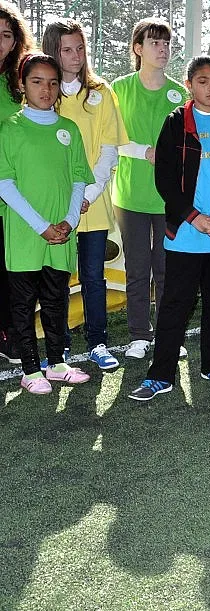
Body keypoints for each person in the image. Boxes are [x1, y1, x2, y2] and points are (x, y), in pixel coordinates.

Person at [128, 56, 210, 401]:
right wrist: (194, 217)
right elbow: (165, 179)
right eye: (203, 81)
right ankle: (161, 376)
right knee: (175, 304)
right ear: (189, 85)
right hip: (186, 232)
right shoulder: (174, 123)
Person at [0, 53, 95, 394]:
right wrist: (41, 225)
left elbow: (79, 179)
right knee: (23, 306)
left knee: (57, 300)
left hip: (61, 234)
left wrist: (69, 221)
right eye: (37, 81)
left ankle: (56, 363)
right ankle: (29, 370)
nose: (46, 89)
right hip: (26, 236)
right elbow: (4, 183)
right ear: (23, 85)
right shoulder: (9, 129)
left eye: (53, 82)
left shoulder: (67, 129)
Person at [42, 18, 128, 371]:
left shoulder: (101, 91)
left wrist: (88, 193)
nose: (75, 56)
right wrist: (65, 198)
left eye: (80, 48)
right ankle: (59, 346)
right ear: (52, 52)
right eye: (67, 49)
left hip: (91, 203)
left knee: (93, 275)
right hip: (55, 205)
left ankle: (98, 342)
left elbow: (109, 151)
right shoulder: (43, 93)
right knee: (57, 278)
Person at [112, 18, 189, 360]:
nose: (162, 49)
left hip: (170, 199)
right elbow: (110, 141)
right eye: (155, 43)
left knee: (168, 270)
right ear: (137, 48)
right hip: (130, 197)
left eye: (166, 43)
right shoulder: (119, 88)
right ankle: (140, 336)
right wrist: (144, 151)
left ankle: (169, 336)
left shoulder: (181, 93)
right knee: (138, 269)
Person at [0, 1, 33, 365]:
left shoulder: (18, 82)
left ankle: (9, 335)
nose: (0, 42)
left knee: (11, 273)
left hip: (13, 194)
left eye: (7, 35)